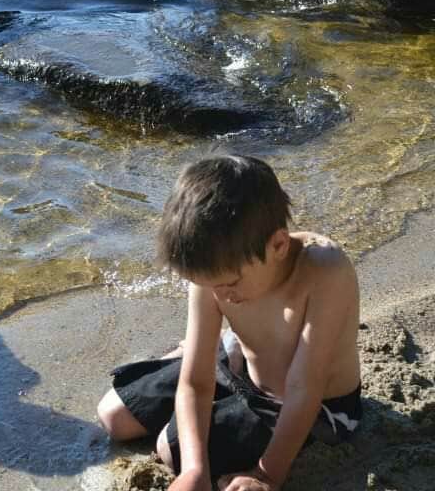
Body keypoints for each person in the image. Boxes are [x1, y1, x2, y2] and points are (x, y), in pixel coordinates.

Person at [96, 155, 361, 491]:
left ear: (278, 244)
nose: (222, 295)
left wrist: (267, 474)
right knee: (114, 416)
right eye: (211, 286)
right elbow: (196, 383)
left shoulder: (324, 272)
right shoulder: (215, 270)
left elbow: (303, 389)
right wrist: (195, 470)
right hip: (239, 366)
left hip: (312, 406)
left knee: (169, 448)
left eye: (230, 284)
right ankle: (196, 350)